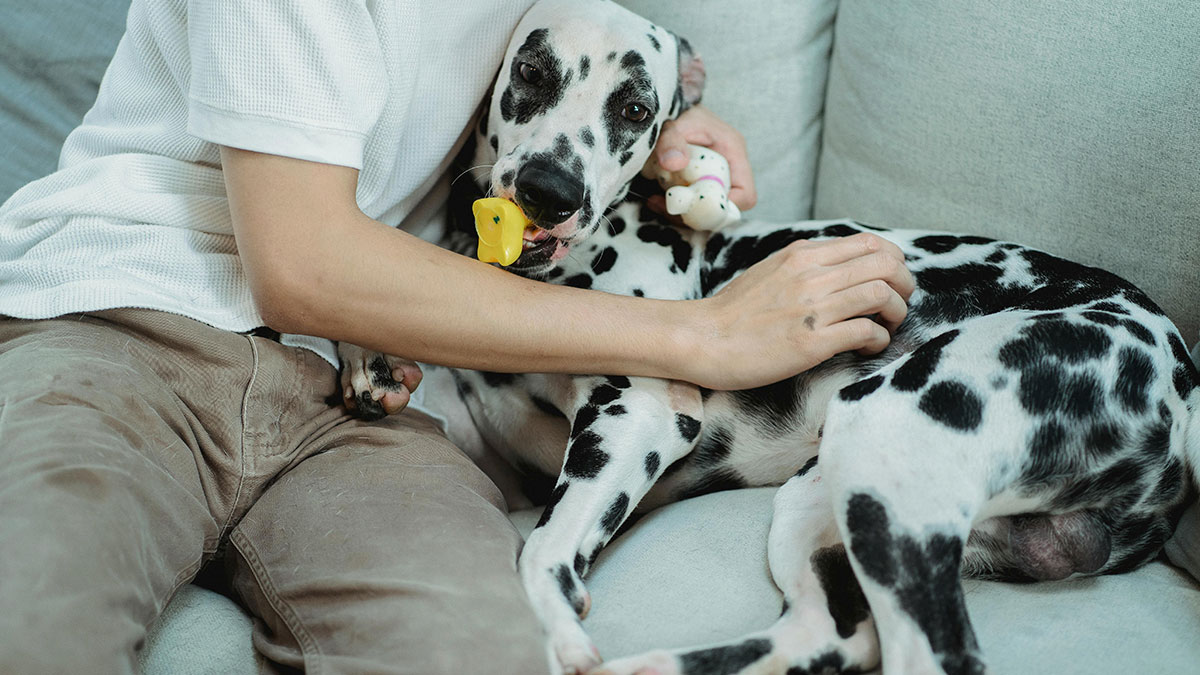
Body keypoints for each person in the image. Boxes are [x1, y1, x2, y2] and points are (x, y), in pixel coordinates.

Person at [0, 1, 914, 673]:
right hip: (122, 320)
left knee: (475, 656)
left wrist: (669, 127)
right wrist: (699, 337)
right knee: (33, 623)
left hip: (365, 389)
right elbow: (304, 266)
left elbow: (572, 91)